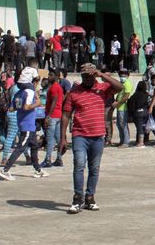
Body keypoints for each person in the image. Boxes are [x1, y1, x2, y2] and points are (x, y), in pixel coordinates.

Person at [59, 64, 124, 214]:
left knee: (94, 168)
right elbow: (66, 115)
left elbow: (120, 87)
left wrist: (101, 74)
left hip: (97, 135)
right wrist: (62, 138)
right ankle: (77, 198)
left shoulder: (102, 89)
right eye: (84, 76)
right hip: (79, 134)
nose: (86, 79)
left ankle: (90, 197)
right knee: (79, 165)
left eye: (89, 76)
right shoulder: (73, 92)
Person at [0, 78, 47, 180]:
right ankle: (5, 170)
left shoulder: (18, 93)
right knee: (20, 148)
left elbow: (12, 108)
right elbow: (26, 107)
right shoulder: (29, 92)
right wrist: (37, 103)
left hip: (26, 124)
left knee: (34, 146)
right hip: (27, 125)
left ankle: (38, 169)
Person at [42, 73, 65, 167]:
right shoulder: (58, 87)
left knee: (50, 138)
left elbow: (54, 100)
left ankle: (48, 159)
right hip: (58, 115)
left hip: (53, 115)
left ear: (56, 76)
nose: (48, 77)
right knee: (58, 138)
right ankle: (59, 158)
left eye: (51, 75)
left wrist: (48, 115)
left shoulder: (54, 87)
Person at [126, 81, 150, 148]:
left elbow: (131, 105)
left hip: (138, 112)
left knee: (139, 128)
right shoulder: (147, 94)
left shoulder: (135, 95)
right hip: (146, 111)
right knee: (144, 127)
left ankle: (140, 142)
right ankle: (145, 140)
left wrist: (131, 113)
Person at [113, 69, 133, 148]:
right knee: (119, 124)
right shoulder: (122, 83)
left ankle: (126, 142)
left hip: (123, 107)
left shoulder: (127, 83)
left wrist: (118, 103)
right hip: (119, 107)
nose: (122, 77)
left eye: (124, 75)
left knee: (123, 124)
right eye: (121, 75)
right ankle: (122, 140)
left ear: (128, 76)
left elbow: (126, 96)